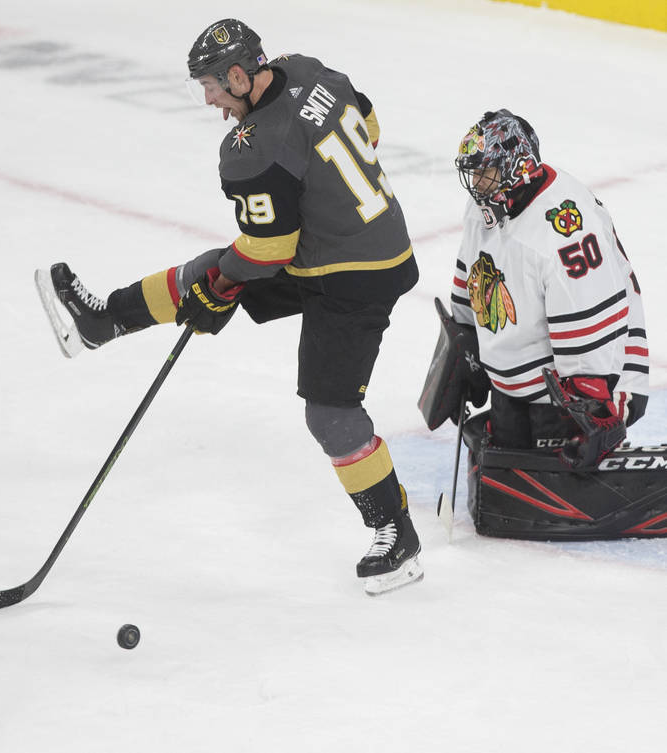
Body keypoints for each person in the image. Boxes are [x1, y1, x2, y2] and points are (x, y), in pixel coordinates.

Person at [34, 19, 422, 595]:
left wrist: (221, 290)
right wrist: (223, 277)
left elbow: (269, 250)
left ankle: (398, 538)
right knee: (214, 265)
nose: (210, 101)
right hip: (369, 242)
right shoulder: (312, 70)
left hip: (351, 279)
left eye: (213, 86)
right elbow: (369, 122)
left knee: (330, 413)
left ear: (240, 76)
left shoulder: (252, 148)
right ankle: (103, 321)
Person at [420, 109, 651, 539]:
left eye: (486, 171)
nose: (477, 184)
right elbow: (472, 278)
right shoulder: (487, 206)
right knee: (507, 470)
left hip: (586, 378)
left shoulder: (565, 233)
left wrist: (595, 410)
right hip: (525, 372)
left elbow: (594, 331)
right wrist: (467, 350)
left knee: (559, 467)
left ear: (517, 168)